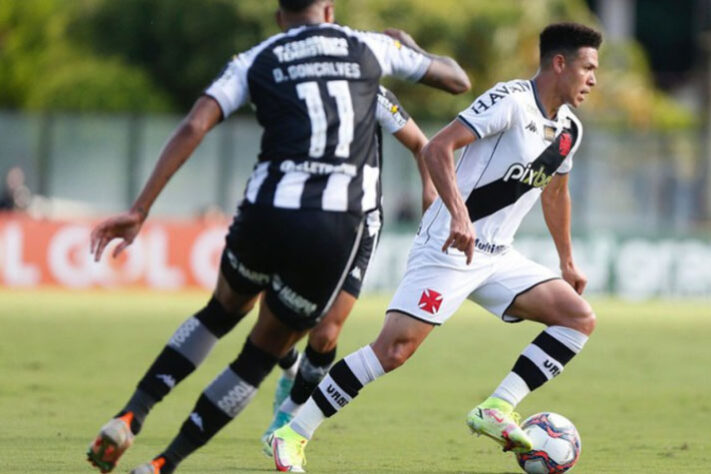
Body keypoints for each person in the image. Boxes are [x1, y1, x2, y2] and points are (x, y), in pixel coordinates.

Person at [85, 0, 470, 472]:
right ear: (329, 10)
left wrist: (139, 209)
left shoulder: (259, 56)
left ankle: (131, 414)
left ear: (278, 16)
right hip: (331, 226)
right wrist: (409, 48)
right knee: (260, 353)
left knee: (224, 314)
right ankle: (164, 464)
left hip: (274, 211)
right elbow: (456, 80)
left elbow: (194, 124)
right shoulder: (370, 49)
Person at [271, 21, 602, 472]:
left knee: (578, 319)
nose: (593, 79)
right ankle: (292, 434)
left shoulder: (569, 132)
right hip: (449, 246)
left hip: (497, 256)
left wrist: (566, 259)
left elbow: (555, 194)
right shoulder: (510, 100)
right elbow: (437, 150)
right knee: (393, 352)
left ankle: (498, 408)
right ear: (560, 64)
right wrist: (459, 214)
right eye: (587, 67)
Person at [259, 83, 436, 455]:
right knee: (277, 323)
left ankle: (289, 416)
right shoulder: (293, 87)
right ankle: (291, 371)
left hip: (359, 223)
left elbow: (422, 145)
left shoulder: (372, 92)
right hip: (301, 215)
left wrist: (430, 194)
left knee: (326, 333)